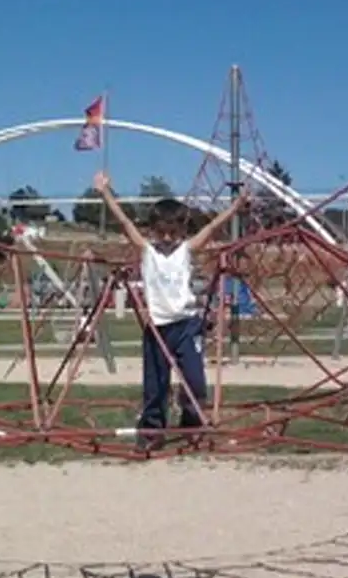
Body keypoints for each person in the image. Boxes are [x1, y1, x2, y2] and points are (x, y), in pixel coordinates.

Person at [93, 171, 249, 450]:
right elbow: (124, 221)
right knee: (155, 386)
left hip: (186, 325)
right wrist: (106, 193)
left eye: (173, 233)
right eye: (161, 232)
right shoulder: (147, 251)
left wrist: (235, 208)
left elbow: (212, 227)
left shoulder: (186, 250)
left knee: (195, 382)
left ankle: (191, 421)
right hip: (157, 328)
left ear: (182, 231)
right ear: (152, 230)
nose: (166, 238)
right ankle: (152, 432)